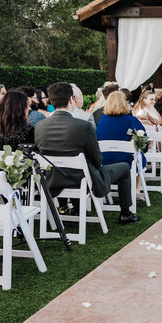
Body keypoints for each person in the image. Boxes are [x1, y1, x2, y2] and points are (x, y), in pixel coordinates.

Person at [34, 82, 140, 225]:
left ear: (51, 101)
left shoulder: (39, 126)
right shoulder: (82, 125)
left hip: (52, 180)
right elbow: (96, 159)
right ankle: (126, 213)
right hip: (80, 179)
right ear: (71, 99)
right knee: (125, 168)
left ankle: (77, 208)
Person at [96, 91, 148, 197]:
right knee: (141, 157)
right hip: (126, 161)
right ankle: (137, 190)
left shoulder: (102, 120)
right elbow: (143, 139)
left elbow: (97, 137)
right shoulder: (131, 120)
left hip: (105, 160)